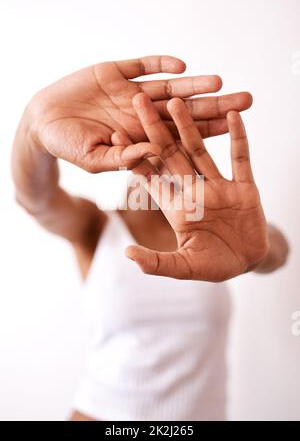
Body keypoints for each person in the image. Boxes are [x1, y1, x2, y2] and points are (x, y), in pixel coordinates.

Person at [12, 55, 289, 421]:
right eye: (143, 138)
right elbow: (37, 198)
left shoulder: (213, 229)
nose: (155, 151)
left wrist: (259, 252)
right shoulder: (96, 226)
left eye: (167, 138)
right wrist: (34, 125)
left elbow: (277, 250)